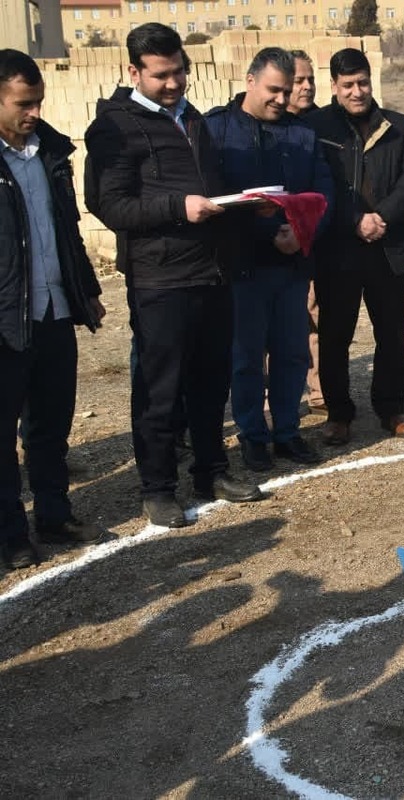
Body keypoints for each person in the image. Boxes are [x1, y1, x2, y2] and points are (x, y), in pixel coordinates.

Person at [86, 23, 264, 528]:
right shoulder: (114, 128)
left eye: (179, 72)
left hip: (212, 273)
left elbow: (212, 185)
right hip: (161, 280)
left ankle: (212, 470)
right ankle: (158, 487)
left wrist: (249, 206)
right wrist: (177, 208)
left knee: (211, 381)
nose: (173, 83)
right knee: (160, 388)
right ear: (133, 72)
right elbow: (109, 205)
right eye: (161, 75)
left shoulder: (193, 120)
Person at [0, 50, 107, 569]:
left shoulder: (49, 153)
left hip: (54, 311)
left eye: (38, 102)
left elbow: (66, 232)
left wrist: (85, 289)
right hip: (5, 321)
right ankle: (11, 534)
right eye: (23, 103)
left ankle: (54, 514)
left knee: (50, 426)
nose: (34, 113)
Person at [205, 47, 333, 471]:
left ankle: (287, 432)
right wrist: (265, 232)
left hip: (291, 265)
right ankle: (252, 436)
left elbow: (322, 193)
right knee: (246, 357)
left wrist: (300, 234)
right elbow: (213, 197)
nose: (282, 99)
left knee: (292, 352)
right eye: (274, 90)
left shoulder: (302, 134)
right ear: (250, 81)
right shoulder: (216, 131)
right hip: (242, 265)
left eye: (288, 89)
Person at [309, 48, 404, 445]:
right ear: (334, 86)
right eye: (347, 85)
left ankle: (391, 408)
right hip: (338, 251)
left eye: (362, 83)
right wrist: (353, 220)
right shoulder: (317, 126)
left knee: (390, 334)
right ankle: (339, 414)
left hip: (387, 248)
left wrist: (381, 218)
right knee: (335, 336)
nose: (356, 92)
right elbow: (318, 184)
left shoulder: (396, 125)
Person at [287, 49, 324, 417]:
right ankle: (278, 397)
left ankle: (319, 392)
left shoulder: (321, 124)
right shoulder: (272, 125)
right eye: (299, 80)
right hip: (277, 241)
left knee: (315, 316)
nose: (306, 87)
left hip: (315, 239)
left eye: (310, 79)